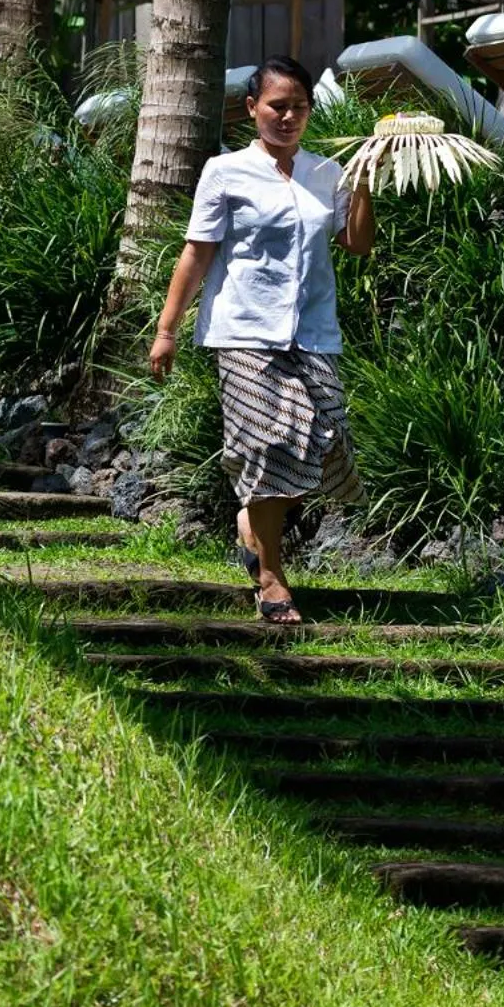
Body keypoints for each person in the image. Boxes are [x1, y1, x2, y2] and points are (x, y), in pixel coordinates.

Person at [149, 56, 374, 625]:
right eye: (277, 106)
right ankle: (272, 580)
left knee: (323, 444)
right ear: (253, 109)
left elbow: (356, 243)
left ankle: (252, 518)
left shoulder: (328, 173)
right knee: (273, 444)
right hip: (245, 331)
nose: (289, 116)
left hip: (314, 334)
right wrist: (167, 329)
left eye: (299, 106)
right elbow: (197, 251)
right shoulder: (225, 171)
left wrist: (366, 182)